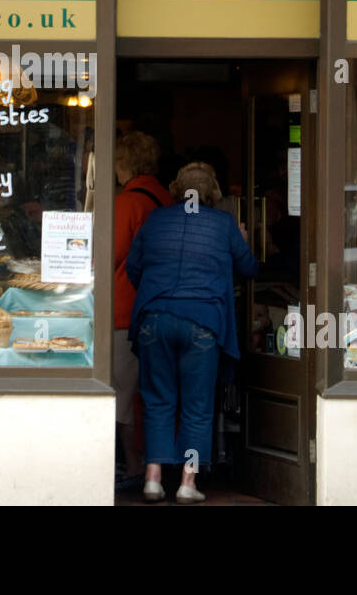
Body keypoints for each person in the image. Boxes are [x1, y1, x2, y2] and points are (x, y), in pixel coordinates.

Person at [126, 162, 257, 504]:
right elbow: (249, 269)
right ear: (213, 192)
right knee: (198, 407)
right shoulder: (224, 224)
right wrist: (241, 241)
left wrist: (160, 291)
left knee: (157, 401)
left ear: (176, 189)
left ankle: (153, 479)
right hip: (203, 322)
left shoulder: (156, 219)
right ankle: (187, 481)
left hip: (156, 317)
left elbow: (134, 267)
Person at [112, 131, 172, 490]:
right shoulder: (166, 199)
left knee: (125, 392)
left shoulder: (127, 203)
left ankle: (135, 468)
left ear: (125, 164)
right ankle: (155, 466)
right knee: (154, 392)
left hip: (126, 310)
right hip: (161, 309)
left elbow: (108, 257)